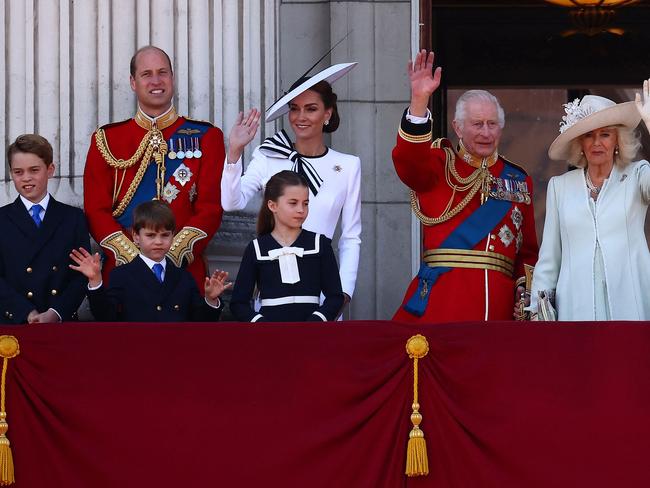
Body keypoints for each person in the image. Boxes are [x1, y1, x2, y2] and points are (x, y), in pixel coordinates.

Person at [392, 50, 539, 323]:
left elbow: (527, 251)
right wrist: (419, 101)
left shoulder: (518, 180)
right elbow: (408, 160)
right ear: (458, 128)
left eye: (492, 124)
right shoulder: (438, 166)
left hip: (499, 310)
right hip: (443, 305)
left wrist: (523, 290)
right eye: (477, 124)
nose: (486, 132)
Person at [83, 45, 225, 290]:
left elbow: (210, 208)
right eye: (146, 74)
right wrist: (134, 260)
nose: (156, 80)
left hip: (183, 275)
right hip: (123, 274)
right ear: (133, 82)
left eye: (163, 72)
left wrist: (171, 257)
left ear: (172, 77)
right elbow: (96, 211)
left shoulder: (207, 137)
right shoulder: (106, 140)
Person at [221, 63, 361, 308]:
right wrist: (234, 153)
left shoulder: (348, 166)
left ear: (327, 114)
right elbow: (231, 202)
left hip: (322, 284)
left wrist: (343, 292)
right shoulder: (268, 156)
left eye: (311, 109)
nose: (301, 117)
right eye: (294, 109)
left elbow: (350, 237)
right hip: (271, 282)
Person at [529, 82, 650, 320]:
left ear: (617, 140)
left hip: (630, 306)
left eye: (605, 134)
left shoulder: (638, 175)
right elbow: (549, 259)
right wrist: (538, 310)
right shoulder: (560, 187)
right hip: (576, 310)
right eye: (589, 136)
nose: (597, 143)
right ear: (580, 144)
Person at [70, 200, 230, 322]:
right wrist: (95, 282)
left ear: (173, 235)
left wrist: (210, 300)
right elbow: (105, 316)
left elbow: (201, 323)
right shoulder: (122, 275)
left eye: (165, 235)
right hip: (136, 355)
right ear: (136, 236)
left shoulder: (183, 277)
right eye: (151, 235)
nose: (158, 242)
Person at [230, 171, 344, 322]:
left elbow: (335, 297)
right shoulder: (256, 248)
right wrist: (262, 324)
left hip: (312, 337)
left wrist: (316, 321)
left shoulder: (319, 244)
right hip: (271, 338)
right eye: (293, 203)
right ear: (272, 205)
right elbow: (238, 303)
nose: (301, 210)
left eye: (305, 203)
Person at [0, 134, 90, 324]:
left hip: (60, 323)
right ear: (11, 173)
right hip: (14, 323)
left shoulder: (73, 218)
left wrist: (56, 313)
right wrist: (27, 312)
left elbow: (81, 275)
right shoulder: (1, 219)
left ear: (50, 170)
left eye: (34, 170)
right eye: (18, 172)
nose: (26, 178)